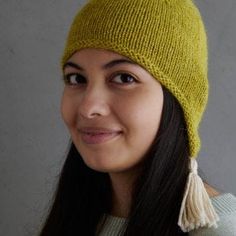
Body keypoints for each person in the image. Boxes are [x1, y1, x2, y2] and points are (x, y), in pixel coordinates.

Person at [39, 0, 236, 235]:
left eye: (124, 78)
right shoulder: (77, 216)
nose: (88, 107)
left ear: (179, 100)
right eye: (76, 79)